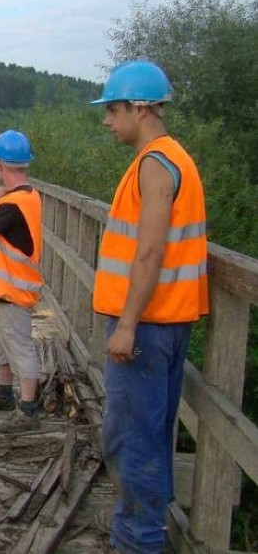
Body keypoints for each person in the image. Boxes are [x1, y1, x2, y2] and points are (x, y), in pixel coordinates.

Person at [90, 60, 209, 554]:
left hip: (145, 328)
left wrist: (127, 325)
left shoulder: (156, 165)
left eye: (112, 110)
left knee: (132, 439)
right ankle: (146, 533)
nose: (106, 120)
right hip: (169, 321)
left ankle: (136, 542)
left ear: (140, 109)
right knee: (153, 435)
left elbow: (150, 250)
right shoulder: (175, 159)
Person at [0, 128, 44, 434]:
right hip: (5, 289)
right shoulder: (27, 197)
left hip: (15, 291)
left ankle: (27, 411)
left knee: (20, 347)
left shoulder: (13, 203)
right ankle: (5, 394)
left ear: (1, 165)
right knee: (1, 342)